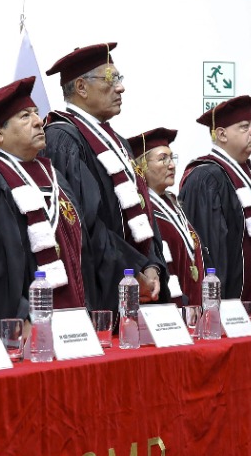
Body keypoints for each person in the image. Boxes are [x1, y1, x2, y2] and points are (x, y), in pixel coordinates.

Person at [41, 42, 164, 310]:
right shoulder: (63, 138)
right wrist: (130, 270)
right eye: (111, 79)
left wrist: (152, 264)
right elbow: (85, 223)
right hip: (102, 288)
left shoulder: (118, 141)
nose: (120, 88)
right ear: (82, 88)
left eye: (119, 78)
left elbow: (144, 209)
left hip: (139, 283)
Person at [0, 77, 87, 323]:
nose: (40, 122)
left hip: (74, 322)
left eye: (36, 113)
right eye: (25, 116)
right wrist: (19, 319)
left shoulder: (54, 175)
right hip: (25, 330)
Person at [179, 95, 251, 301]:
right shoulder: (206, 178)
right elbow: (209, 252)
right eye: (244, 126)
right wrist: (216, 310)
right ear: (222, 134)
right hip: (228, 309)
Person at [127, 127, 205, 306]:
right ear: (141, 166)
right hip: (165, 311)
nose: (172, 165)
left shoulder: (173, 204)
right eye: (163, 159)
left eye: (172, 158)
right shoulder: (138, 211)